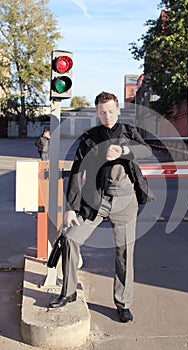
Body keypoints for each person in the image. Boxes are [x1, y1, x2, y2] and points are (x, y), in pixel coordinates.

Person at [49, 91, 153, 323]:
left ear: (117, 110)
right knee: (71, 238)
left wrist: (124, 151)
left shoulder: (129, 132)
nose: (107, 115)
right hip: (96, 199)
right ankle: (68, 292)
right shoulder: (90, 138)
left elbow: (147, 152)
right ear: (97, 112)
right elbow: (77, 172)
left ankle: (123, 304)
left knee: (124, 253)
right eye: (102, 111)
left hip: (126, 200)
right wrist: (70, 208)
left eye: (111, 111)